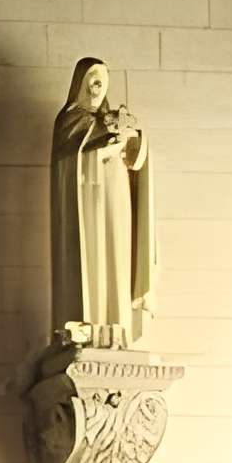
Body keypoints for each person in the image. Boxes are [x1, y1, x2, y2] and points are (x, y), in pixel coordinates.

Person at [48, 55, 155, 349]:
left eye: (103, 80)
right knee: (92, 258)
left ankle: (117, 325)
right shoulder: (70, 120)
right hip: (86, 202)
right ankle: (88, 328)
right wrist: (104, 147)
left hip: (115, 195)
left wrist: (134, 140)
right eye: (93, 79)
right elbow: (70, 162)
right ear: (81, 82)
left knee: (117, 253)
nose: (98, 86)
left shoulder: (113, 121)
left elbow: (135, 161)